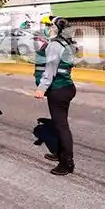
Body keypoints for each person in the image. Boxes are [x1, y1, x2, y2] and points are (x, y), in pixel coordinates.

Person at [33, 15, 78, 176]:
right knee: (60, 124)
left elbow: (50, 70)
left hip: (58, 89)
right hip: (67, 86)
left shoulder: (54, 45)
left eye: (51, 26)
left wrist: (41, 88)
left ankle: (67, 162)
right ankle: (59, 152)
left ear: (57, 29)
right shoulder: (68, 43)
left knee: (62, 126)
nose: (49, 29)